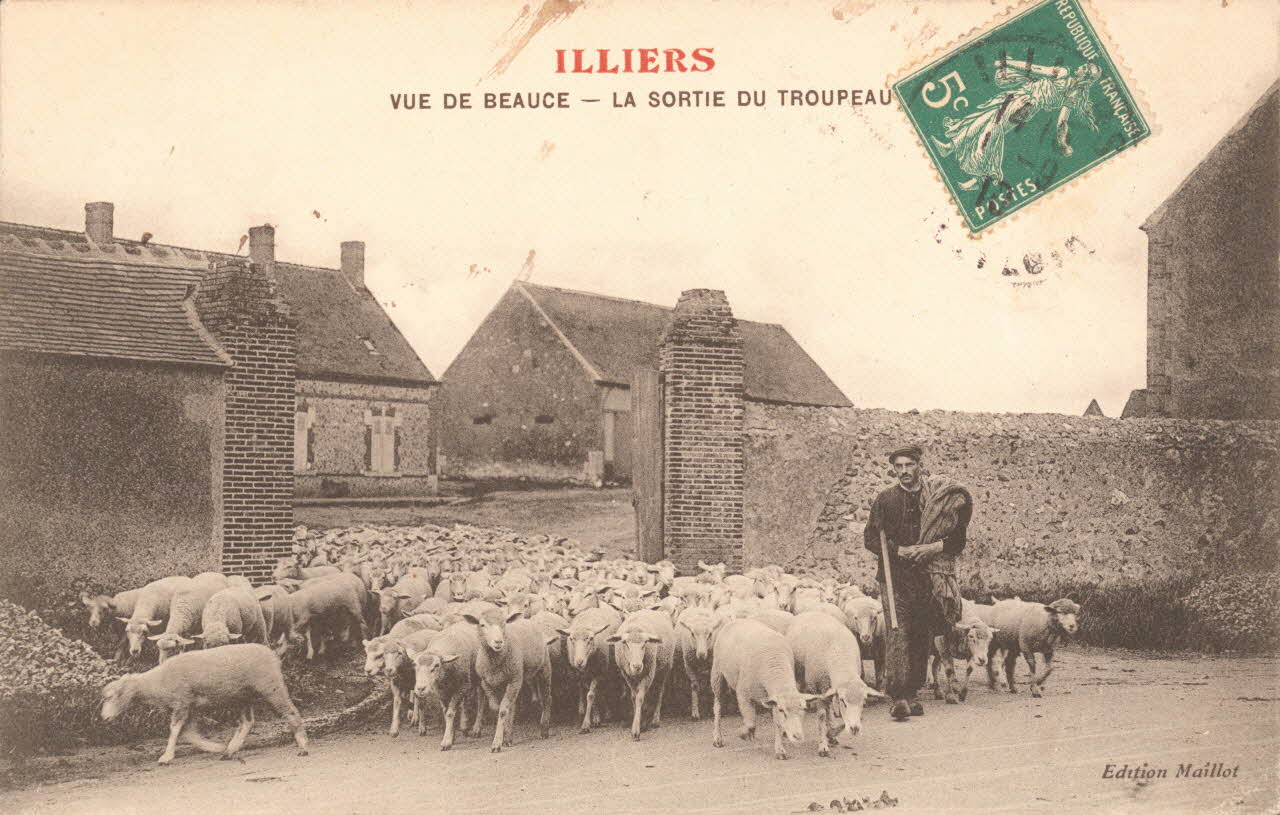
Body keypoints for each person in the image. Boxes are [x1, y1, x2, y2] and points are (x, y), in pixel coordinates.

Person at [863, 445, 970, 721]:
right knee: (898, 631)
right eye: (898, 467)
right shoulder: (885, 499)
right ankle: (897, 696)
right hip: (894, 577)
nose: (904, 472)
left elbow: (957, 541)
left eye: (909, 465)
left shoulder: (935, 499)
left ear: (919, 465)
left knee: (922, 634)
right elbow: (871, 538)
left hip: (928, 577)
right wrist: (898, 550)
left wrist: (930, 549)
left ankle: (912, 692)